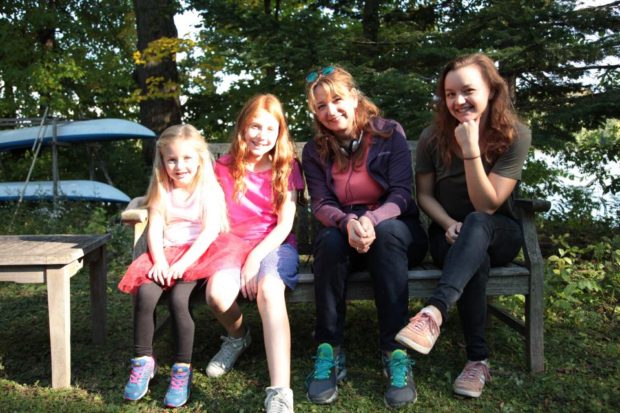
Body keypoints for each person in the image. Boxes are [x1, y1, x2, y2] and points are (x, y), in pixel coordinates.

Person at [395, 53, 531, 398]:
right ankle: (477, 362)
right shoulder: (432, 137)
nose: (458, 101)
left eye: (468, 91)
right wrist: (448, 223)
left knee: (478, 222)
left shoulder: (515, 135)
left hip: (500, 232)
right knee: (475, 259)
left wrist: (471, 149)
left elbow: (488, 204)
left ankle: (434, 311)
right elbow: (424, 195)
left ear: (491, 90)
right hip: (448, 236)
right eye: (450, 94)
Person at [301, 65, 428, 409]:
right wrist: (347, 223)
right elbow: (321, 203)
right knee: (327, 241)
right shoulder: (314, 151)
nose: (331, 111)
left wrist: (370, 219)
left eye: (337, 100)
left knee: (386, 235)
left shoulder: (389, 133)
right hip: (343, 230)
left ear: (354, 97)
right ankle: (329, 350)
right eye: (321, 106)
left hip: (395, 229)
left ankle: (394, 350)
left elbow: (402, 194)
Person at [118, 124, 248, 408]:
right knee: (145, 294)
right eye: (172, 159)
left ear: (200, 158)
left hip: (200, 255)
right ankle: (143, 361)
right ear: (162, 161)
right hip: (165, 253)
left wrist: (184, 264)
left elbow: (209, 232)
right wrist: (161, 262)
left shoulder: (208, 189)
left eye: (187, 158)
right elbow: (154, 229)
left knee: (179, 300)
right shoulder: (161, 188)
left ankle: (181, 369)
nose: (179, 166)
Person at [205, 94, 304, 413]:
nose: (262, 135)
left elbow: (285, 223)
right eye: (255, 126)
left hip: (274, 245)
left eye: (270, 129)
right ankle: (238, 336)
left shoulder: (286, 166)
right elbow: (214, 214)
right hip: (232, 244)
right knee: (217, 297)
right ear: (242, 128)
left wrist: (254, 260)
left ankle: (280, 392)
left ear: (280, 132)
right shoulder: (224, 166)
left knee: (269, 290)